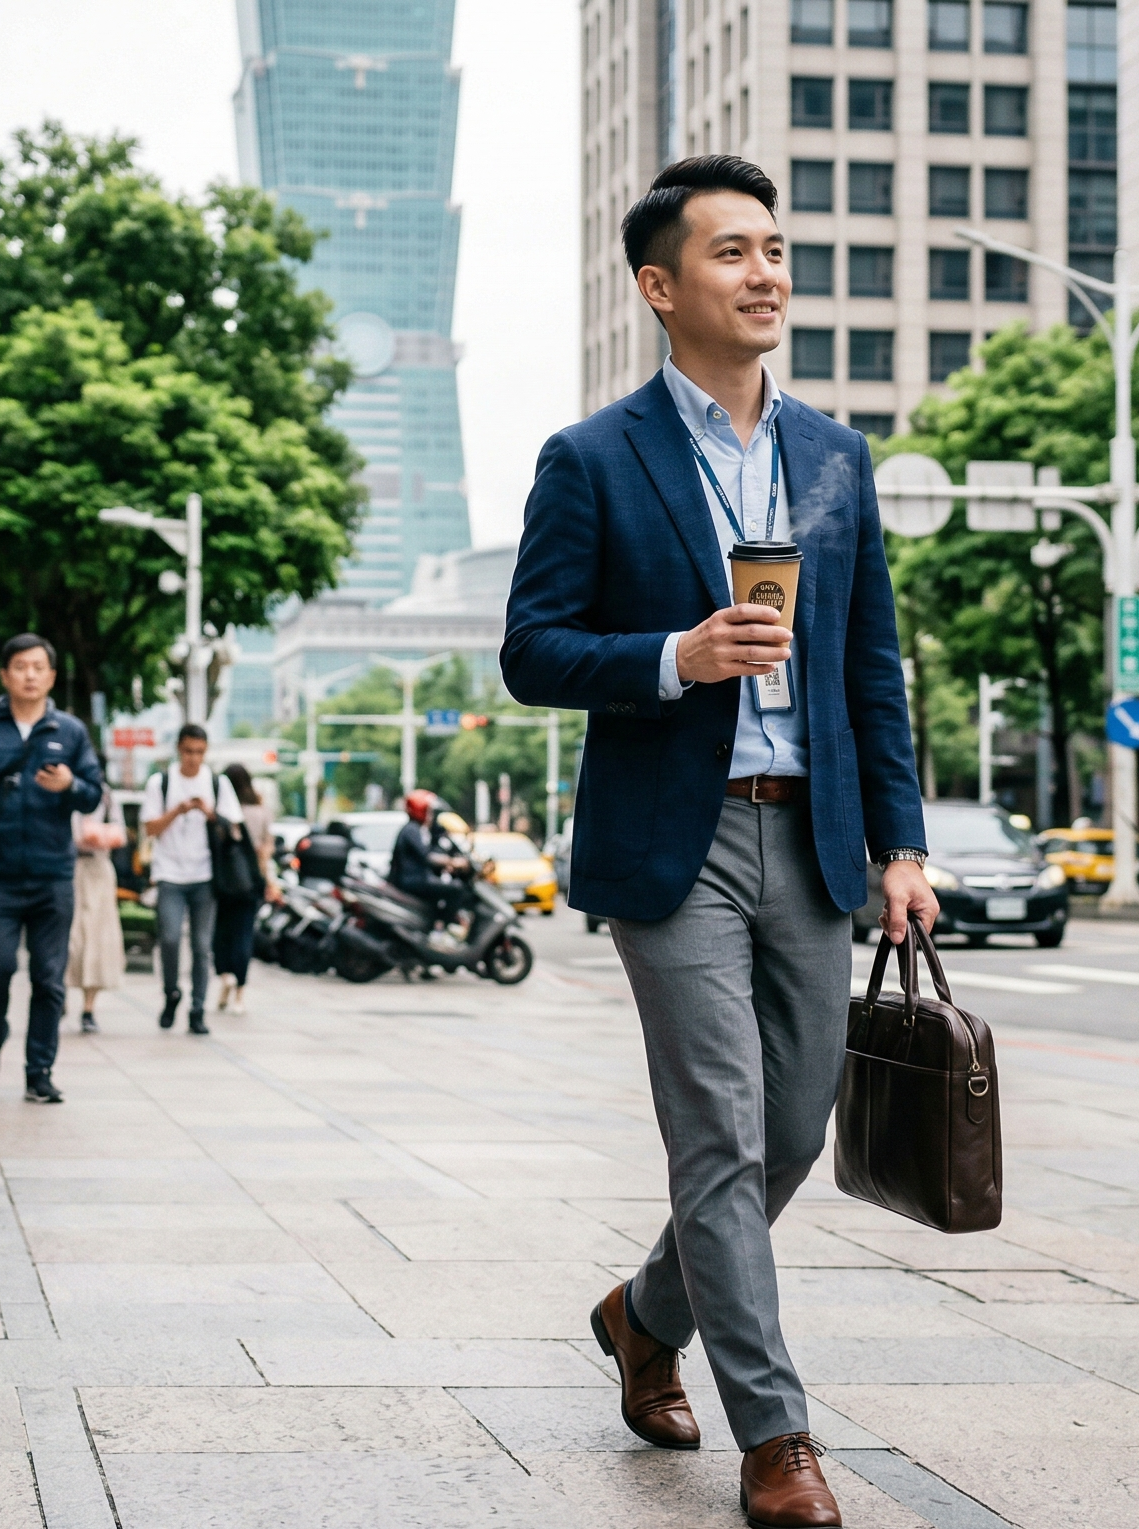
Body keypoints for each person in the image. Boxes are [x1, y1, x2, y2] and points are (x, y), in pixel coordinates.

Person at [499, 156, 935, 1528]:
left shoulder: (830, 456)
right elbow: (531, 651)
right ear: (659, 286)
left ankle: (641, 1314)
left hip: (810, 836)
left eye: (774, 250)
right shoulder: (592, 457)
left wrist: (900, 844)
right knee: (716, 1137)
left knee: (792, 1126)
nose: (765, 274)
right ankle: (778, 1436)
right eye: (731, 253)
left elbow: (873, 664)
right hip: (673, 848)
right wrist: (674, 656)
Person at [0, 633, 103, 1102]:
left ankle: (39, 1070)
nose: (30, 675)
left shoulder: (70, 732)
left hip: (54, 874)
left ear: (51, 676)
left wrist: (72, 784)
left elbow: (95, 793)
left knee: (49, 977)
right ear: (4, 675)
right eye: (20, 666)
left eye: (39, 667)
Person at [138, 724, 242, 1036]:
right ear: (179, 750)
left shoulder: (217, 783)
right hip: (169, 874)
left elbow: (234, 830)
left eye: (199, 752)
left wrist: (209, 814)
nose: (193, 758)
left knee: (201, 945)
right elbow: (150, 828)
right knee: (169, 938)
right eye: (188, 752)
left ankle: (198, 1009)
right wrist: (178, 810)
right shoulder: (162, 782)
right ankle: (172, 993)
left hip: (205, 875)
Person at [210, 763, 280, 1016]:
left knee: (221, 933)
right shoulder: (261, 812)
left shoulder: (222, 812)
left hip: (223, 882)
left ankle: (225, 974)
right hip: (251, 882)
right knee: (243, 935)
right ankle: (239, 995)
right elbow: (266, 850)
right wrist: (268, 881)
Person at [66, 786, 128, 1032]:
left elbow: (121, 833)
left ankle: (88, 1007)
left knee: (98, 938)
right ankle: (57, 992)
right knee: (69, 936)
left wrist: (99, 834)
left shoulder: (107, 797)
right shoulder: (64, 790)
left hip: (99, 869)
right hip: (68, 870)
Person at [388, 789, 472, 929]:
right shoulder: (412, 830)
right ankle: (442, 926)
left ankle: (433, 924)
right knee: (456, 889)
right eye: (428, 811)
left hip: (415, 878)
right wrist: (453, 862)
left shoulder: (419, 830)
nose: (431, 815)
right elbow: (426, 856)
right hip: (412, 880)